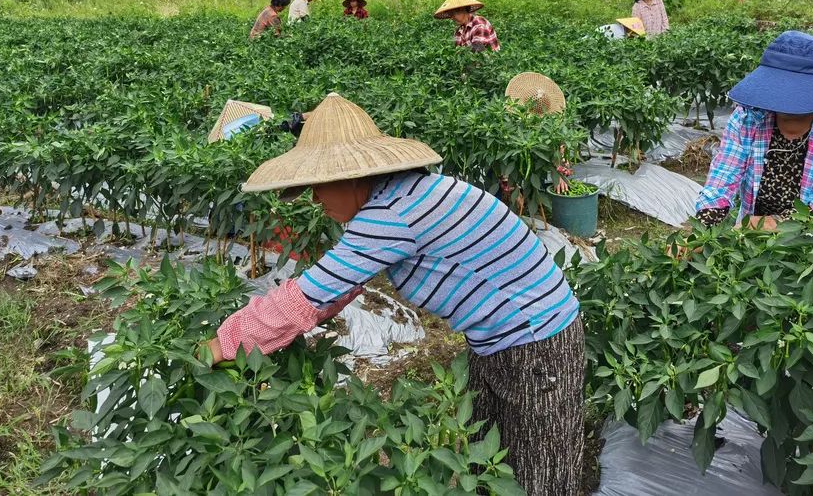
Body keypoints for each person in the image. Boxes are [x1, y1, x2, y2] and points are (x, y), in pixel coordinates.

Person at [208, 93, 585, 495]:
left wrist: (223, 343)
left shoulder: (392, 214)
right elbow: (340, 288)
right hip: (500, 341)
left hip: (536, 345)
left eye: (316, 186)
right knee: (492, 468)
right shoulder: (400, 195)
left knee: (539, 480)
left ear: (348, 176)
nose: (315, 199)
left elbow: (309, 295)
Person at [694, 31, 813, 242]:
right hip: (758, 243)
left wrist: (772, 223)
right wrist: (703, 230)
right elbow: (723, 178)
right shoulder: (748, 118)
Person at [504, 72, 573, 196]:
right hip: (515, 174)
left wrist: (561, 170)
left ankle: (533, 195)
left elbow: (560, 149)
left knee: (535, 176)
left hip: (535, 164)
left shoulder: (551, 129)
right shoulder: (512, 124)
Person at [434, 0, 500, 52]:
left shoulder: (479, 23)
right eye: (451, 15)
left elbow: (479, 49)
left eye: (453, 15)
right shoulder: (459, 32)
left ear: (462, 10)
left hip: (490, 63)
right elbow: (458, 51)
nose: (452, 18)